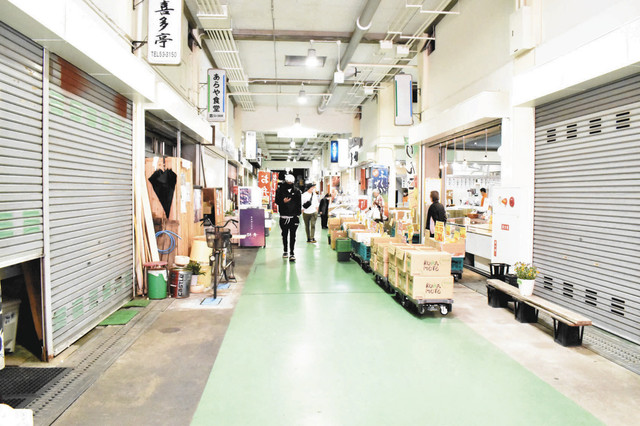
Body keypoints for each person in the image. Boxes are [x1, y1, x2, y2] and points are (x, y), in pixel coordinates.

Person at [275, 174, 302, 262]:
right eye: (288, 182)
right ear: (285, 181)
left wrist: (298, 215)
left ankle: (292, 253)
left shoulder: (297, 191)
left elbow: (299, 204)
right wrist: (283, 201)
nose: (289, 184)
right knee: (284, 234)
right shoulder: (279, 190)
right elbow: (276, 201)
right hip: (283, 217)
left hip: (294, 217)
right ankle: (285, 251)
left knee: (293, 236)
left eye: (291, 182)